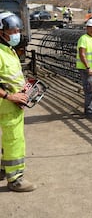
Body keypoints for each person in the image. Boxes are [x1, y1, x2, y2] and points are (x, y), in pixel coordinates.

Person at [0, 12, 36, 192]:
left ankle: (3, 169)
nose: (17, 34)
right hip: (7, 104)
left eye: (17, 30)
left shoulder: (8, 50)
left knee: (8, 139)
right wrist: (10, 96)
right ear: (1, 32)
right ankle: (15, 179)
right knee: (14, 140)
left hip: (13, 104)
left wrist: (24, 88)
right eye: (13, 30)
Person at [76, 18, 92, 119]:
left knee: (91, 90)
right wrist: (88, 67)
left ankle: (91, 109)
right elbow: (82, 54)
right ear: (87, 28)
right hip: (87, 69)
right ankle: (89, 112)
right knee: (89, 90)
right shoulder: (84, 39)